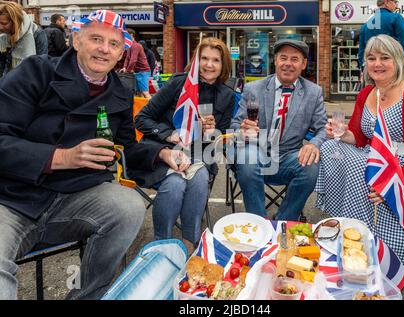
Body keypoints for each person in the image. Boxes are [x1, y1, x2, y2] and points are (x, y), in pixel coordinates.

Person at [0, 9, 184, 300]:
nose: (104, 49)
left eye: (114, 44)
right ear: (76, 41)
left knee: (129, 205)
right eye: (96, 39)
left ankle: (87, 295)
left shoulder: (119, 93)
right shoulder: (36, 71)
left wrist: (161, 153)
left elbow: (126, 148)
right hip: (12, 199)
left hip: (73, 198)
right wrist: (61, 157)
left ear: (122, 52)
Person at [316, 35, 404, 271]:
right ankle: (351, 231)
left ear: (398, 60)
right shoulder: (367, 93)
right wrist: (342, 134)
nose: (377, 64)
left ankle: (383, 250)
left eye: (384, 58)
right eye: (371, 58)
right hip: (373, 159)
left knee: (360, 166)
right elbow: (358, 136)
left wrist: (398, 180)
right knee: (330, 147)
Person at [134, 37, 235, 254]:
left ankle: (190, 243)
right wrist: (169, 134)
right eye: (204, 58)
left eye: (215, 60)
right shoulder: (178, 83)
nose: (209, 64)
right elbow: (142, 119)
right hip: (159, 151)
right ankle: (163, 245)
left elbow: (221, 139)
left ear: (223, 65)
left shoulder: (227, 95)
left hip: (199, 153)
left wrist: (212, 132)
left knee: (198, 176)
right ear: (196, 60)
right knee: (176, 183)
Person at [230, 39, 327, 221]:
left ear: (304, 64)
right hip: (256, 152)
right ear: (275, 60)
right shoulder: (253, 89)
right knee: (248, 157)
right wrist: (242, 130)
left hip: (289, 157)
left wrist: (313, 144)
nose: (288, 64)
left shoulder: (313, 92)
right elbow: (235, 126)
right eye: (283, 58)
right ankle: (258, 223)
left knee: (311, 166)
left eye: (294, 59)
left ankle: (283, 221)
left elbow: (322, 127)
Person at [358, 0, 404, 80]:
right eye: (395, 2)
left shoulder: (366, 25)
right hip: (394, 71)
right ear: (386, 2)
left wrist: (365, 71)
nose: (397, 6)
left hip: (374, 74)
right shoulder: (396, 18)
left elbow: (361, 52)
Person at [0, 1, 47, 76]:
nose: (1, 27)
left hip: (28, 81)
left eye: (4, 23)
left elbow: (41, 65)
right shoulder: (3, 35)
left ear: (15, 22)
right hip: (7, 81)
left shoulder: (37, 32)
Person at [119, 28, 151, 98]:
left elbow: (133, 60)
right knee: (139, 93)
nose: (124, 37)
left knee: (145, 92)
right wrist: (124, 67)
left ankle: (154, 108)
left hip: (143, 72)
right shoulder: (130, 45)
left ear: (131, 35)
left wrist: (127, 71)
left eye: (126, 35)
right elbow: (127, 58)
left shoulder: (136, 46)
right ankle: (141, 109)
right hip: (138, 72)